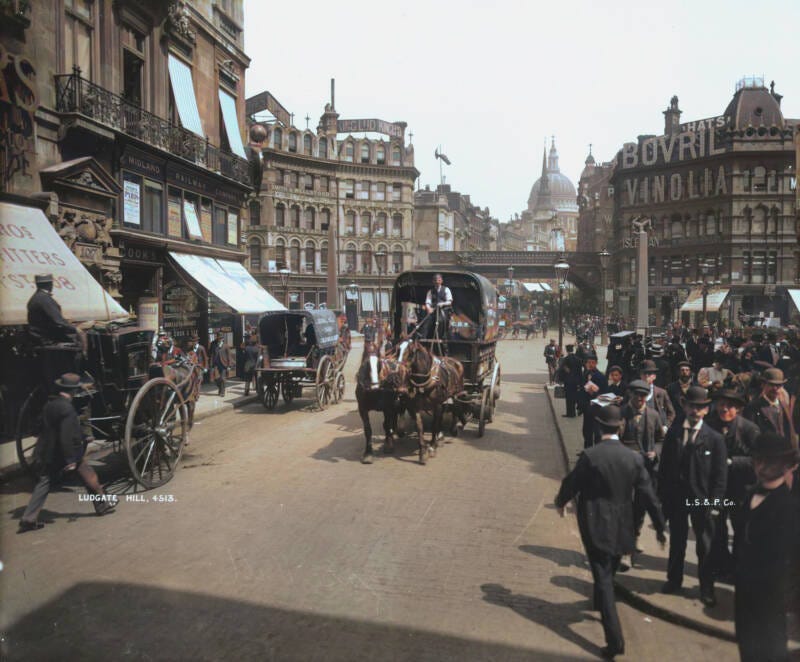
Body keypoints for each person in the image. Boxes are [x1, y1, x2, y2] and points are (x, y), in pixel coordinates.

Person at [555, 405, 666, 659]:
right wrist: (659, 527)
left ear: (598, 426)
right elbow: (649, 496)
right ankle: (599, 602)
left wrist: (561, 501)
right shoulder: (634, 458)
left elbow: (572, 483)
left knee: (604, 581)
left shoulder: (591, 456)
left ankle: (615, 641)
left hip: (596, 526)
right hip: (624, 527)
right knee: (608, 572)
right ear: (621, 427)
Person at [18, 373, 116, 532]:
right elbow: (66, 436)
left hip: (50, 452)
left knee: (44, 482)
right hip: (66, 453)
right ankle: (102, 504)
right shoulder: (67, 409)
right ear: (73, 391)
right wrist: (71, 459)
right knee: (89, 475)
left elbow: (39, 427)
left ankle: (28, 518)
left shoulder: (50, 405)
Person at [658, 385, 727, 606]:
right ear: (684, 406)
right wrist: (663, 499)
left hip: (702, 500)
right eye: (691, 406)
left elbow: (720, 476)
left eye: (700, 408)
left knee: (705, 546)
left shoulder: (714, 439)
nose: (695, 411)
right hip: (677, 499)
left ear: (706, 410)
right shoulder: (674, 433)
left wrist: (715, 504)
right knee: (677, 541)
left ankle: (706, 589)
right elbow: (665, 468)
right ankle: (673, 580)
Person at [734, 432, 800, 662]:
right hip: (745, 598)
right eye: (758, 460)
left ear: (784, 466)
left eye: (770, 461)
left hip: (772, 601)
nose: (762, 466)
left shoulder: (790, 507)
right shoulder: (749, 495)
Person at [704, 387, 759, 577]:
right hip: (716, 489)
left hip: (741, 488)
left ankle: (738, 569)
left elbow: (759, 461)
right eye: (721, 405)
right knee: (716, 529)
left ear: (738, 409)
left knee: (741, 531)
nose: (724, 409)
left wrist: (731, 462)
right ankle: (722, 565)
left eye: (729, 406)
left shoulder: (749, 429)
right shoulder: (708, 426)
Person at [744, 367, 796, 445]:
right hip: (765, 451)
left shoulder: (784, 406)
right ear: (763, 385)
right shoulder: (753, 407)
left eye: (778, 385)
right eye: (772, 384)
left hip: (784, 450)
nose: (775, 388)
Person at [26, 273, 79, 345]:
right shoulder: (44, 299)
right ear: (50, 284)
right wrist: (75, 328)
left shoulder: (35, 297)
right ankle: (84, 354)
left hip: (37, 335)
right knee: (81, 336)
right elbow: (58, 321)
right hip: (47, 337)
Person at [578, 352, 608, 448]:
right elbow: (582, 391)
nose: (590, 365)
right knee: (586, 431)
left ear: (596, 363)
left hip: (597, 408)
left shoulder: (601, 377)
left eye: (592, 362)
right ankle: (587, 449)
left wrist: (595, 394)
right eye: (588, 362)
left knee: (597, 432)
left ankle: (596, 451)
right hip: (586, 408)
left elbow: (604, 393)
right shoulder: (585, 374)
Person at [417, 273, 453, 353]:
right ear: (433, 281)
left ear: (441, 281)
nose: (437, 281)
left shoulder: (446, 289)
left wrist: (442, 304)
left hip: (444, 310)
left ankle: (442, 336)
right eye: (435, 280)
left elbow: (449, 301)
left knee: (440, 320)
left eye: (439, 280)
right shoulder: (430, 291)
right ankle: (424, 338)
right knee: (425, 320)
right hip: (433, 310)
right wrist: (428, 308)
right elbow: (428, 302)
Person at [639, 360, 676, 434]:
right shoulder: (633, 393)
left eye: (649, 373)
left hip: (657, 433)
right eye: (644, 373)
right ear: (640, 375)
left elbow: (671, 413)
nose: (646, 376)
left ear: (654, 376)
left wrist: (666, 426)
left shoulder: (662, 393)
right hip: (639, 432)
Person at [558, 344, 583, 418]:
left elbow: (562, 370)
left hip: (568, 381)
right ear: (573, 350)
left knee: (569, 398)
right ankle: (576, 411)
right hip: (576, 381)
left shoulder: (566, 359)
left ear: (567, 350)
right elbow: (580, 372)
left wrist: (561, 380)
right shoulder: (578, 359)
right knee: (575, 396)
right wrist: (580, 382)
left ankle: (570, 413)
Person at [209, 331, 233, 396]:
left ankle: (222, 391)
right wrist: (210, 364)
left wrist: (229, 365)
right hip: (215, 364)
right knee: (215, 379)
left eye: (221, 338)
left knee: (222, 378)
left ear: (222, 338)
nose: (219, 339)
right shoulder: (213, 344)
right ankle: (220, 387)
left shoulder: (225, 345)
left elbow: (229, 356)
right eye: (218, 338)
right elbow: (211, 354)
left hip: (223, 364)